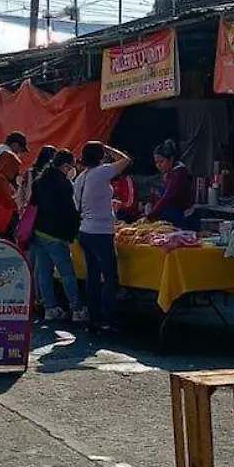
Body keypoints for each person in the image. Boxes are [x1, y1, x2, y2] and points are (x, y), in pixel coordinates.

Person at [73, 141, 131, 331]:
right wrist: (108, 147)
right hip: (101, 232)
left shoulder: (81, 178)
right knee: (110, 276)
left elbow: (77, 206)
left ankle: (94, 317)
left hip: (85, 230)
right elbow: (126, 160)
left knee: (92, 275)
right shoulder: (101, 172)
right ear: (100, 156)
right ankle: (108, 317)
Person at [29, 149, 82, 322]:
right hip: (56, 235)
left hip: (38, 232)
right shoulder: (64, 184)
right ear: (65, 166)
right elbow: (70, 212)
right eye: (70, 167)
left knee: (44, 271)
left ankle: (49, 308)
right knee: (67, 273)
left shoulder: (39, 181)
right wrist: (73, 233)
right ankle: (77, 309)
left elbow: (32, 206)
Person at [147, 139, 195, 228]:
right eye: (156, 163)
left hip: (182, 219)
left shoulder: (178, 173)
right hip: (170, 218)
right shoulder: (168, 174)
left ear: (171, 159)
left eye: (161, 162)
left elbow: (167, 197)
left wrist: (151, 215)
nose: (158, 166)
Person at [17, 145, 56, 211]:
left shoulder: (30, 172)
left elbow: (22, 191)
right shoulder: (30, 172)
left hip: (31, 206)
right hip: (37, 207)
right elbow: (22, 191)